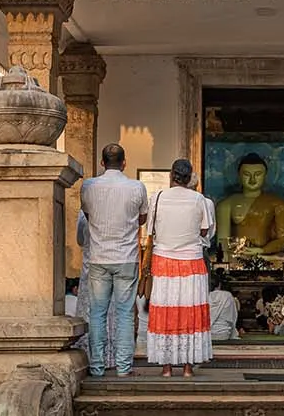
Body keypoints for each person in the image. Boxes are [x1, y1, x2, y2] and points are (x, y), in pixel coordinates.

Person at [75, 144, 148, 377]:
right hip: (126, 257)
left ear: (102, 163)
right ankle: (124, 367)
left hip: (98, 257)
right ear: (124, 163)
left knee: (97, 313)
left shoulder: (89, 186)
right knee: (125, 313)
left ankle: (97, 367)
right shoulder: (137, 187)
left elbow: (87, 215)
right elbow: (142, 218)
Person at [143, 158, 215, 377]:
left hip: (163, 262)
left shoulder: (157, 198)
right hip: (192, 263)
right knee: (190, 314)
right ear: (190, 177)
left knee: (166, 312)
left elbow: (150, 229)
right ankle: (187, 367)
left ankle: (166, 367)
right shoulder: (200, 200)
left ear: (170, 175)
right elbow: (205, 231)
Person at [216, 152, 284, 253]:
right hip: (236, 255)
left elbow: (283, 241)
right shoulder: (226, 204)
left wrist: (261, 251)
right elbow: (222, 243)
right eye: (247, 174)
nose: (252, 179)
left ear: (265, 176)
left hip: (266, 255)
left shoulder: (278, 204)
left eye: (258, 174)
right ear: (239, 176)